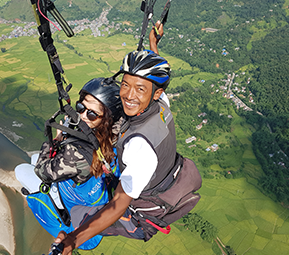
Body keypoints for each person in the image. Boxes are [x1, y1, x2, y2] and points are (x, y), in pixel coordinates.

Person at [53, 22, 202, 254]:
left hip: (141, 216)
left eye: (139, 89)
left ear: (155, 93)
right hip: (162, 178)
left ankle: (76, 226)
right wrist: (153, 45)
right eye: (125, 84)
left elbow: (118, 205)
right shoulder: (161, 104)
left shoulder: (139, 146)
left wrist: (72, 239)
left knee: (78, 215)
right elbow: (152, 81)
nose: (128, 95)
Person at [15, 77, 123, 250]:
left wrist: (57, 140)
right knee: (34, 159)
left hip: (77, 216)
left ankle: (56, 204)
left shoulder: (77, 155)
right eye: (81, 107)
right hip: (95, 196)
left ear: (106, 119)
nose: (81, 115)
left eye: (91, 114)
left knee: (21, 170)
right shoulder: (118, 132)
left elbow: (43, 171)